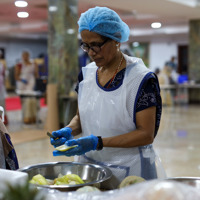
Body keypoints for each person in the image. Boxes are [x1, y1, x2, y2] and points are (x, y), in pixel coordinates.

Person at [50, 6, 165, 189]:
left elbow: (146, 134)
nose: (90, 52)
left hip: (131, 170)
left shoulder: (140, 80)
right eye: (86, 45)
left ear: (116, 39)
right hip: (91, 168)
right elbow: (82, 117)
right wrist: (69, 130)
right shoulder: (86, 75)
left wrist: (98, 142)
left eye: (96, 44)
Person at [15, 51, 39, 124]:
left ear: (28, 56)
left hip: (31, 83)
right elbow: (16, 76)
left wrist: (39, 83)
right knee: (25, 100)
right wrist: (22, 80)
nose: (25, 57)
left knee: (32, 100)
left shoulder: (33, 63)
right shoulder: (19, 65)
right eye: (23, 56)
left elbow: (36, 74)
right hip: (22, 83)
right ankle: (26, 117)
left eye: (26, 56)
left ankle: (33, 117)